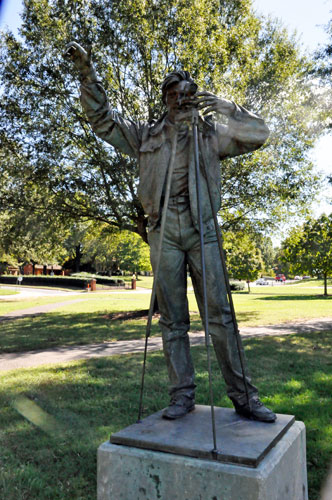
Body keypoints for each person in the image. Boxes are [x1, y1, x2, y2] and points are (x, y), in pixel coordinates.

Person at [64, 42, 276, 423]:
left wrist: (227, 107)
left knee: (220, 316)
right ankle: (182, 395)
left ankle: (245, 397)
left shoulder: (211, 135)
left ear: (196, 99)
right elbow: (104, 123)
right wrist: (87, 75)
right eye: (174, 95)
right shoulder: (147, 136)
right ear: (165, 99)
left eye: (187, 94)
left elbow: (259, 134)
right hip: (164, 229)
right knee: (173, 320)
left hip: (203, 229)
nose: (181, 100)